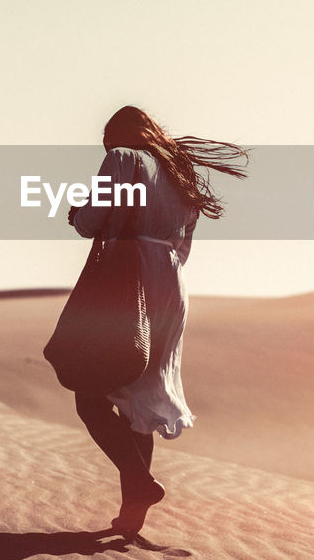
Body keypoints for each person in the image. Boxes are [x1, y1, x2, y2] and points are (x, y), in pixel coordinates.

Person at [65, 106, 248, 536]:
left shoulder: (123, 159)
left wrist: (77, 214)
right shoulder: (180, 174)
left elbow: (92, 219)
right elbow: (183, 245)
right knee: (140, 400)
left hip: (130, 279)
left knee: (89, 398)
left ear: (116, 136)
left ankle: (140, 484)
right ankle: (132, 518)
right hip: (171, 283)